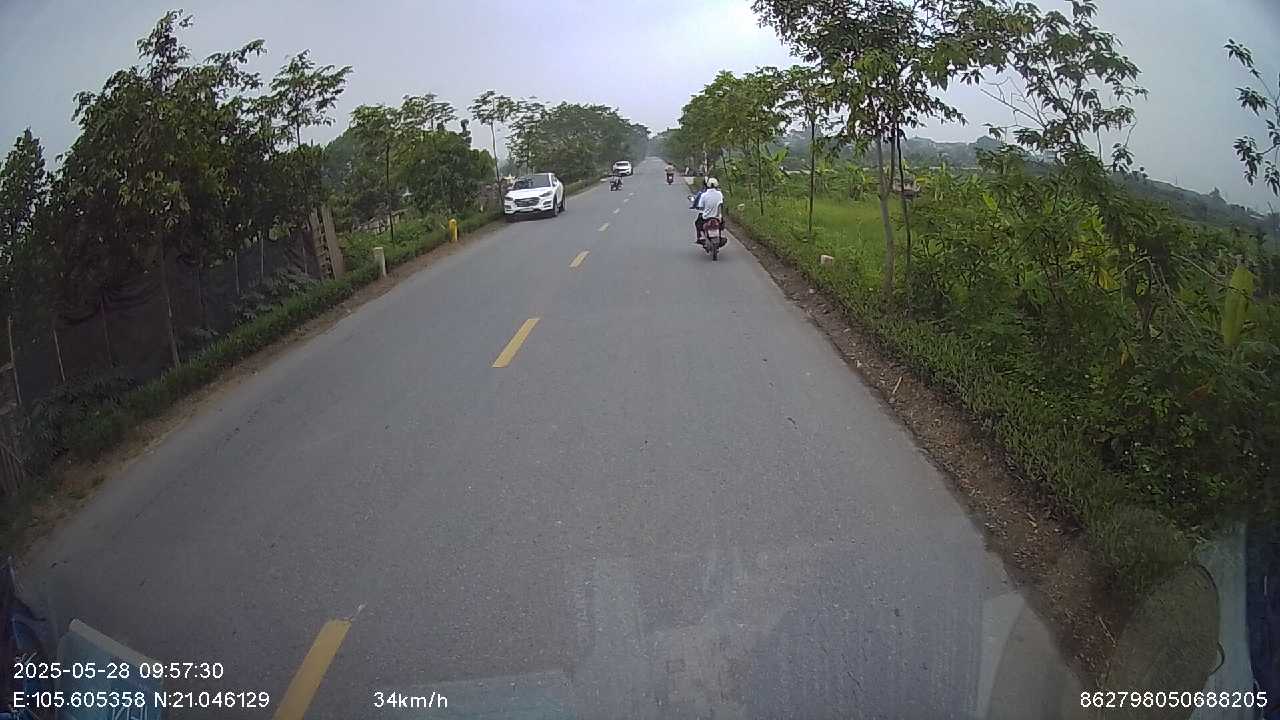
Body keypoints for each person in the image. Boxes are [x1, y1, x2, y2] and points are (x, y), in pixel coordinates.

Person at [694, 177, 724, 243]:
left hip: (706, 217)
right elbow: (720, 205)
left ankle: (700, 237)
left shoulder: (704, 195)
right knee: (722, 224)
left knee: (697, 223)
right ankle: (720, 235)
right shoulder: (720, 194)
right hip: (717, 217)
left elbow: (701, 207)